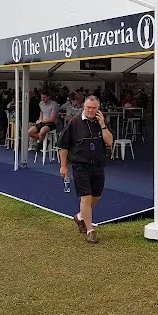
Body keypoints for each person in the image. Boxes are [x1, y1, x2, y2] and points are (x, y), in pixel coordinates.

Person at [57, 96, 113, 244]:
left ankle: (80, 217)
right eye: (88, 107)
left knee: (96, 197)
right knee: (86, 197)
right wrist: (63, 166)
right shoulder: (75, 122)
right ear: (84, 107)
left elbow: (110, 141)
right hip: (80, 165)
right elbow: (63, 146)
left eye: (94, 108)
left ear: (98, 109)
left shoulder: (101, 122)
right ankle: (90, 230)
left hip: (98, 165)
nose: (90, 110)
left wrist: (102, 124)